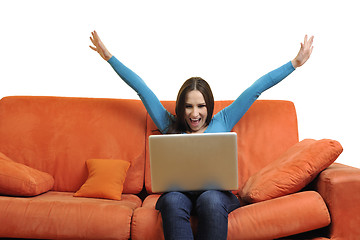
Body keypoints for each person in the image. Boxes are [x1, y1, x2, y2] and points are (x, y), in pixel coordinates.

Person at [89, 30, 314, 240]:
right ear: (181, 107)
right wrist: (109, 57)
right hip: (179, 194)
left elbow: (256, 89)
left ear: (209, 106)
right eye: (188, 107)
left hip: (216, 196)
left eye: (201, 106)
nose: (194, 114)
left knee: (210, 199)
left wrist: (294, 64)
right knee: (173, 200)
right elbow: (142, 89)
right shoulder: (169, 124)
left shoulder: (224, 120)